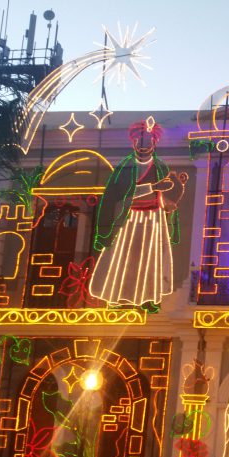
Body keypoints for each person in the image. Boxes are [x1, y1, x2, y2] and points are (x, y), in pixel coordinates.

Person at [89, 115, 188, 311]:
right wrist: (153, 187)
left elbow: (167, 195)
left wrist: (170, 202)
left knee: (151, 261)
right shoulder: (124, 169)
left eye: (147, 142)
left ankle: (149, 298)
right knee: (122, 259)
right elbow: (118, 196)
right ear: (133, 142)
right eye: (139, 142)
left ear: (154, 143)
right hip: (129, 218)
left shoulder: (161, 167)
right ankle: (114, 298)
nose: (143, 146)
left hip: (154, 218)